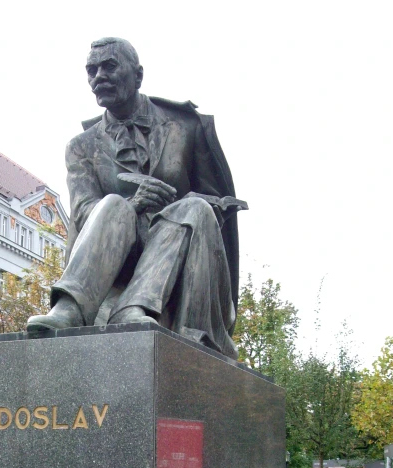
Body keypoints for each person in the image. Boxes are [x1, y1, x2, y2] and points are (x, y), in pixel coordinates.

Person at [27, 37, 246, 358]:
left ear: (138, 75)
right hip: (115, 258)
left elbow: (214, 203)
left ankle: (136, 308)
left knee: (195, 207)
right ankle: (70, 308)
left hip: (178, 251)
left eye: (109, 66)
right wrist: (136, 202)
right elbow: (84, 214)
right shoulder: (81, 146)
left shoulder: (184, 127)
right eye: (91, 70)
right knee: (115, 205)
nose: (98, 76)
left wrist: (193, 205)